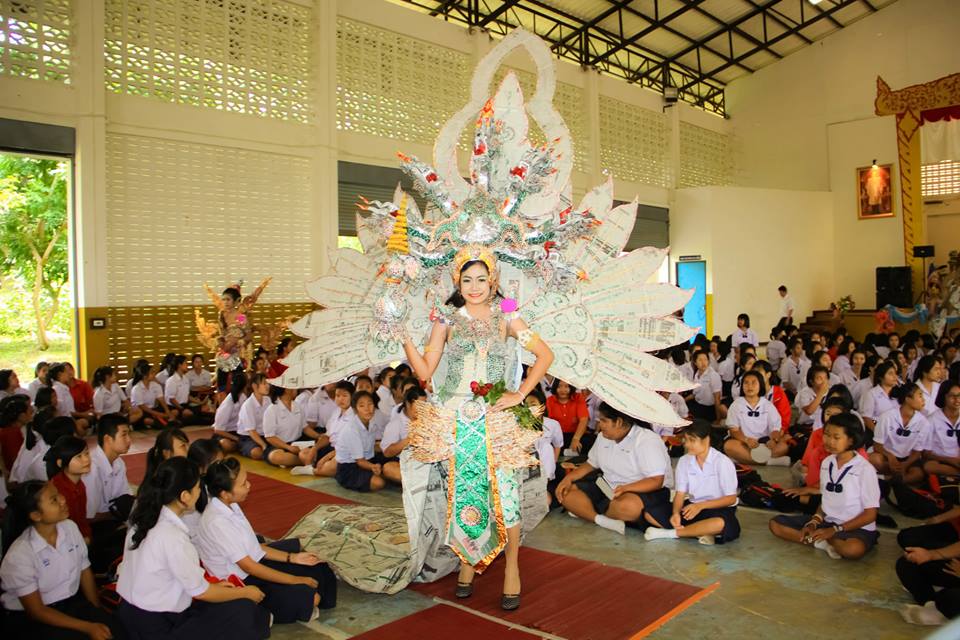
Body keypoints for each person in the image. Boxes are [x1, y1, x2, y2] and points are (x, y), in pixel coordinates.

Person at [400, 251, 554, 611]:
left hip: (496, 421)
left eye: (481, 280)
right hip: (455, 420)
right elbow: (424, 372)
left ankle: (511, 567)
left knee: (506, 497)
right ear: (457, 282)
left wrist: (519, 394)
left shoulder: (509, 313)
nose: (474, 287)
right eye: (466, 280)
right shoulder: (445, 318)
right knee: (465, 491)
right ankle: (468, 562)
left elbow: (544, 355)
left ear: (493, 282)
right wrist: (403, 335)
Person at [115, 457, 270, 638]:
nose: (200, 492)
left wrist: (216, 587)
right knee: (242, 609)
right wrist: (245, 592)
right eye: (197, 487)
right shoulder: (172, 536)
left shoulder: (143, 515)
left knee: (231, 604)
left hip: (130, 612)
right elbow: (202, 592)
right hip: (156, 623)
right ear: (185, 496)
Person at [197, 458, 337, 623]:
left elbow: (254, 547)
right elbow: (249, 566)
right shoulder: (217, 521)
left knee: (319, 568)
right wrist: (295, 579)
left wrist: (293, 558)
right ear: (225, 493)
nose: (249, 485)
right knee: (310, 597)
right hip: (241, 579)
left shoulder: (231, 504)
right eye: (243, 484)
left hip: (253, 565)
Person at [0, 481, 125, 639]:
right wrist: (88, 627)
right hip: (33, 618)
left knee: (117, 630)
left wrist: (96, 612)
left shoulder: (69, 528)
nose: (63, 499)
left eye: (58, 494)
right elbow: (36, 611)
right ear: (36, 515)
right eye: (54, 500)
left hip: (70, 603)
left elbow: (84, 571)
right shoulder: (20, 555)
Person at [770, 413, 880, 560]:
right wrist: (814, 521)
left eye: (836, 437)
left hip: (854, 527)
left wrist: (834, 531)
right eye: (827, 435)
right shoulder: (828, 462)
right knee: (775, 524)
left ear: (851, 440)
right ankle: (824, 543)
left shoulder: (865, 469)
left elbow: (870, 515)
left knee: (853, 550)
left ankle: (824, 540)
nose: (829, 441)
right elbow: (826, 499)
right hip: (828, 522)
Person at [556, 402, 673, 535]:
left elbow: (656, 481)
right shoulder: (602, 437)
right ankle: (602, 520)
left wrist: (626, 488)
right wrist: (568, 478)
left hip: (642, 491)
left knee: (626, 507)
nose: (600, 425)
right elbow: (591, 464)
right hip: (607, 487)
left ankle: (588, 511)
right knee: (565, 493)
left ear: (618, 422)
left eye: (604, 421)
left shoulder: (646, 440)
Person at [644, 419, 740, 545]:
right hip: (692, 506)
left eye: (692, 440)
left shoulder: (722, 462)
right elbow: (680, 494)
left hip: (718, 507)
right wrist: (676, 514)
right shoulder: (684, 461)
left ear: (706, 440)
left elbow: (731, 499)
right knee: (649, 513)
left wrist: (700, 506)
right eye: (686, 440)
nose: (687, 444)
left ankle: (671, 533)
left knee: (720, 523)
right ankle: (697, 531)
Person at [724, 370, 791, 466]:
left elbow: (776, 428)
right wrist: (746, 440)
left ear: (761, 385)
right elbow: (733, 430)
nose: (749, 386)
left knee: (784, 447)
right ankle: (769, 462)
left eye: (754, 382)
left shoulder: (768, 405)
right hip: (744, 443)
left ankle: (743, 459)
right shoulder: (736, 405)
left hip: (765, 444)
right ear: (742, 386)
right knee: (729, 446)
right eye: (746, 383)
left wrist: (774, 440)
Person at [870, 383, 931, 485]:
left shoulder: (924, 422)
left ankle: (893, 482)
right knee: (874, 459)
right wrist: (891, 457)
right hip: (887, 455)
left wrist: (905, 465)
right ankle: (897, 478)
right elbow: (877, 445)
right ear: (907, 399)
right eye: (920, 395)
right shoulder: (887, 417)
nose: (923, 400)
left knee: (918, 474)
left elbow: (917, 452)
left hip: (908, 458)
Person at [333, 391, 388, 492]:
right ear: (355, 410)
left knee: (389, 462)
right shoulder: (352, 429)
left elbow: (371, 446)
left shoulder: (371, 422)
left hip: (367, 460)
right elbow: (360, 461)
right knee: (379, 483)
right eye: (362, 405)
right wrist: (373, 466)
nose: (367, 409)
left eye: (370, 404)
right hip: (349, 468)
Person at [46, 436, 92, 543]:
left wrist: (87, 536)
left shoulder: (79, 484)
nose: (86, 459)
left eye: (87, 453)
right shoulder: (58, 490)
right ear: (60, 463)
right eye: (78, 456)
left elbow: (81, 519)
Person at [378, 386, 426, 486]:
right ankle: (421, 483)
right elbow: (387, 452)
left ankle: (423, 481)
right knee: (388, 468)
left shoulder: (427, 420)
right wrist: (409, 439)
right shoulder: (396, 423)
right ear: (408, 404)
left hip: (425, 462)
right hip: (404, 463)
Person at [526, 387, 564, 507]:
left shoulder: (552, 424)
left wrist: (553, 462)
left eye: (533, 404)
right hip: (527, 466)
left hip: (545, 468)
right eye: (526, 405)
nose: (529, 408)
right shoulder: (519, 424)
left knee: (546, 446)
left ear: (542, 406)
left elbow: (558, 445)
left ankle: (542, 486)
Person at [262, 386, 314, 468]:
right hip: (280, 445)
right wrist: (289, 448)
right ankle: (307, 461)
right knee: (275, 457)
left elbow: (305, 428)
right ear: (287, 389)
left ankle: (305, 459)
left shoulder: (297, 405)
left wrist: (318, 436)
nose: (296, 389)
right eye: (293, 386)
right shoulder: (271, 410)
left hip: (299, 443)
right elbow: (270, 437)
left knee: (317, 447)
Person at [923, 380, 960, 476]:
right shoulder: (932, 419)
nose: (957, 399)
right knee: (929, 466)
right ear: (944, 397)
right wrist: (950, 460)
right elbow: (926, 453)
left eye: (959, 395)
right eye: (952, 396)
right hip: (941, 461)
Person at [546, 380, 589, 451]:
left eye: (566, 386)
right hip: (557, 435)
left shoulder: (578, 398)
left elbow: (584, 419)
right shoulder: (550, 400)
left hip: (576, 434)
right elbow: (549, 422)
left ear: (571, 387)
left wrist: (576, 438)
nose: (563, 390)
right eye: (559, 386)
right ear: (555, 387)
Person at [129, 362, 175, 428]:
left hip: (153, 409)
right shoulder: (137, 388)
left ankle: (163, 423)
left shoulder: (155, 385)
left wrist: (167, 412)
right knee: (148, 420)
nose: (154, 374)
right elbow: (143, 407)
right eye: (152, 373)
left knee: (172, 413)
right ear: (145, 376)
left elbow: (162, 400)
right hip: (142, 412)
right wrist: (160, 414)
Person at [48, 364, 91, 436]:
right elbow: (63, 411)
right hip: (64, 422)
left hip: (69, 419)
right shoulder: (57, 389)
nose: (69, 374)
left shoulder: (64, 387)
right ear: (60, 374)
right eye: (66, 372)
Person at [236, 373, 271, 461]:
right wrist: (264, 446)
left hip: (264, 435)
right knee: (256, 452)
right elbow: (251, 431)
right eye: (264, 383)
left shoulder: (268, 400)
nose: (267, 386)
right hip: (247, 437)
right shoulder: (248, 405)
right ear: (255, 386)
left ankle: (272, 456)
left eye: (268, 383)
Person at [859, 360, 900, 432]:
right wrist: (878, 432)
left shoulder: (898, 393)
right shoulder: (871, 394)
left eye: (895, 373)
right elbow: (867, 418)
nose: (895, 376)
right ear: (881, 377)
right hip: (879, 429)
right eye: (890, 373)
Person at [212, 369, 247, 453]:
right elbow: (218, 430)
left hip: (238, 431)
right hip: (224, 434)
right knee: (225, 444)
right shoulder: (228, 403)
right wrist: (236, 439)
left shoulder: (243, 397)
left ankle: (240, 446)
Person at [685, 350, 724, 422]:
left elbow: (717, 398)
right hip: (697, 404)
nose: (703, 363)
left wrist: (718, 419)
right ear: (695, 362)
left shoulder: (713, 375)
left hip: (708, 408)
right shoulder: (697, 374)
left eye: (705, 359)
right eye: (700, 360)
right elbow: (695, 393)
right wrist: (683, 400)